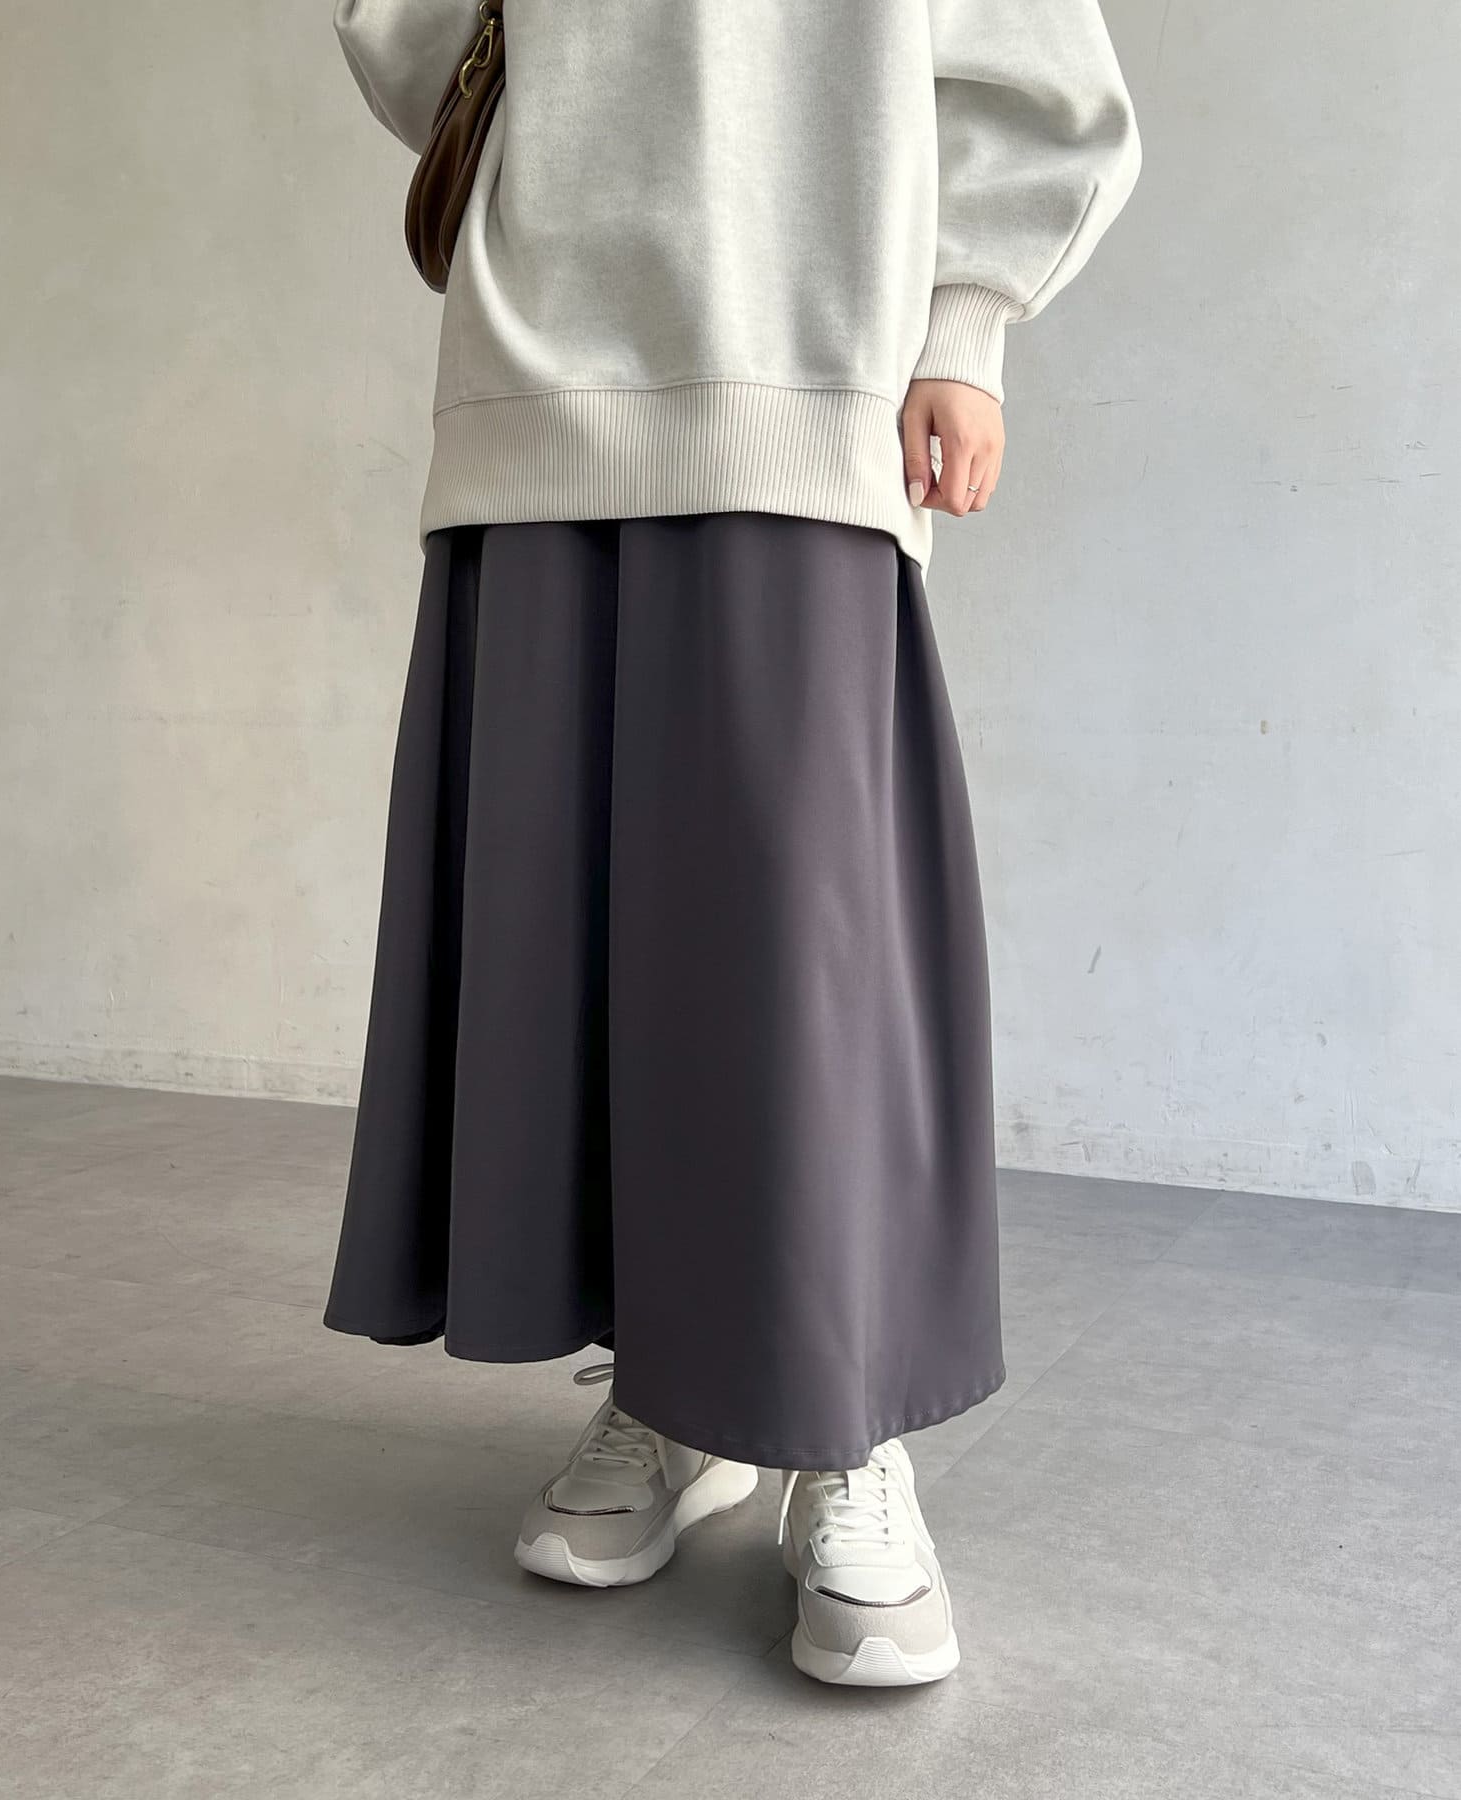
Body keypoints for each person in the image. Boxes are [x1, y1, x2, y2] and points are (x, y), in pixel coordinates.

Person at [324, 0, 1140, 1687]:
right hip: (540, 372)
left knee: (800, 960)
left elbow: (1039, 74)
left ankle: (844, 1430)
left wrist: (965, 323)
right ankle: (673, 1395)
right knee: (576, 937)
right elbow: (406, 32)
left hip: (816, 353)